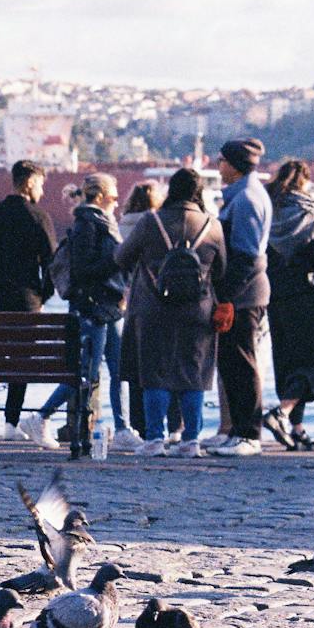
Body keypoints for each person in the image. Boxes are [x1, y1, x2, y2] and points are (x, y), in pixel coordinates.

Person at [114, 166, 226, 457]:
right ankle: (191, 440)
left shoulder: (151, 222)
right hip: (198, 310)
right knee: (194, 373)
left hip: (153, 308)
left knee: (155, 373)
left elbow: (121, 257)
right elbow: (223, 269)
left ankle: (154, 439)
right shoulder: (212, 225)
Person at [32, 174, 127, 450]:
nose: (117, 199)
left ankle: (122, 428)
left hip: (109, 305)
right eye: (113, 194)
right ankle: (42, 416)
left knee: (118, 369)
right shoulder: (88, 223)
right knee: (88, 372)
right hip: (94, 305)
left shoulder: (103, 222)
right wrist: (117, 260)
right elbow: (84, 269)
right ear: (100, 196)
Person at [0, 160, 58, 444]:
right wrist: (43, 296)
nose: (42, 191)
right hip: (26, 300)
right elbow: (53, 264)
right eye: (41, 184)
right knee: (20, 361)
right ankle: (10, 422)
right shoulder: (39, 217)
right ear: (30, 182)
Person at [263, 159, 314, 452]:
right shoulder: (306, 210)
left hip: (274, 294)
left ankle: (296, 428)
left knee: (287, 361)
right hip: (304, 294)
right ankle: (281, 413)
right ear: (304, 181)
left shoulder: (268, 208)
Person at [207, 138, 271, 456]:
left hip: (244, 295)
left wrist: (227, 296)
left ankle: (249, 433)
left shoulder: (246, 199)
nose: (218, 167)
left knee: (242, 362)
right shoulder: (242, 195)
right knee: (231, 361)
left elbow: (248, 256)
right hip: (240, 293)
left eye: (221, 161)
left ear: (233, 165)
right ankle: (236, 430)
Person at [111, 181, 163, 450]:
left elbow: (118, 259)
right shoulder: (157, 224)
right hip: (155, 299)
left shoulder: (121, 225)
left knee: (133, 365)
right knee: (157, 363)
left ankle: (138, 425)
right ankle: (161, 428)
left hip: (129, 301)